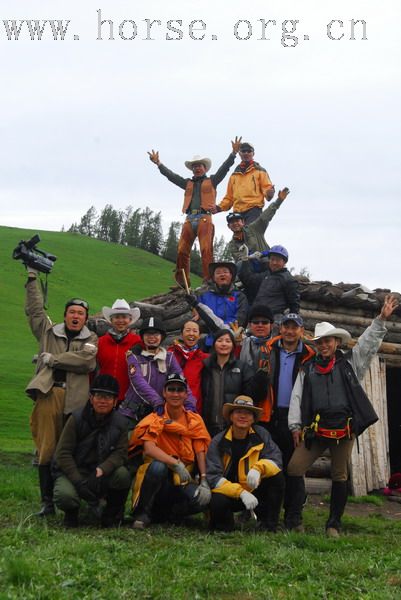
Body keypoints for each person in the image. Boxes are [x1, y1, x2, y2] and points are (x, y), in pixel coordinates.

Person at [287, 294, 399, 537]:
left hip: (343, 430)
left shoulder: (351, 364)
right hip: (316, 430)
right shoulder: (307, 369)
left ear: (336, 342)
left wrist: (380, 319)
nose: (324, 345)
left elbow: (368, 344)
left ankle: (333, 524)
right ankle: (295, 520)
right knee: (295, 468)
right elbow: (297, 397)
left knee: (340, 475)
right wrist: (295, 426)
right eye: (320, 342)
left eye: (328, 341)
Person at [25, 268, 98, 516]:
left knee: (70, 449)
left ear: (85, 318)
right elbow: (35, 311)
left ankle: (70, 499)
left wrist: (53, 359)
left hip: (76, 399)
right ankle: (47, 502)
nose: (76, 316)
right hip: (49, 394)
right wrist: (33, 279)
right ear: (65, 315)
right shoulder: (49, 332)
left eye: (80, 313)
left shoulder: (92, 339)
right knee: (46, 448)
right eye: (72, 312)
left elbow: (86, 362)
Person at [148, 137, 241, 286]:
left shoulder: (213, 180)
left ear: (205, 168)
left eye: (200, 166)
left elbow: (224, 169)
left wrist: (233, 154)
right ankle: (182, 283)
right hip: (189, 219)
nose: (197, 168)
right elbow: (171, 176)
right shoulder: (187, 183)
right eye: (195, 166)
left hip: (205, 217)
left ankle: (209, 281)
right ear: (192, 169)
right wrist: (159, 164)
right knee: (182, 251)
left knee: (206, 250)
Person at [128, 373, 211, 529]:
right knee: (158, 466)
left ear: (186, 395)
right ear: (164, 393)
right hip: (158, 475)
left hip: (183, 476)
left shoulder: (194, 419)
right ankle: (142, 513)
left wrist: (204, 479)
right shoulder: (155, 418)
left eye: (180, 390)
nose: (175, 394)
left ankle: (169, 514)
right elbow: (149, 448)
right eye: (171, 389)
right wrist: (175, 463)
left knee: (201, 500)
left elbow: (200, 449)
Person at [53, 375, 131, 528]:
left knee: (122, 474)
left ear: (115, 401)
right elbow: (63, 453)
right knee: (65, 495)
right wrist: (78, 481)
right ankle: (71, 513)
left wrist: (102, 469)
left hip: (102, 472)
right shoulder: (75, 418)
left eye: (108, 397)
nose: (103, 401)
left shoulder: (121, 423)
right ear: (91, 398)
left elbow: (121, 452)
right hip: (76, 470)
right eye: (99, 396)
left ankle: (111, 513)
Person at [206, 396, 284, 532]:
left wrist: (258, 469)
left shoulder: (262, 435)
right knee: (217, 500)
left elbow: (276, 461)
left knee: (277, 478)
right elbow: (213, 478)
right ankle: (225, 526)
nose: (243, 416)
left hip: (255, 489)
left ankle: (268, 524)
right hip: (230, 493)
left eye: (248, 413)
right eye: (238, 412)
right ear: (231, 417)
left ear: (253, 419)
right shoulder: (218, 441)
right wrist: (241, 492)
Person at [119, 317, 197, 426]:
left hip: (158, 414)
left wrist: (189, 402)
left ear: (162, 337)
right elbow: (138, 381)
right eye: (147, 334)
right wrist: (157, 402)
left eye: (155, 334)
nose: (152, 337)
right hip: (132, 413)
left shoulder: (169, 358)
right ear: (142, 337)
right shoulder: (134, 357)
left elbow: (181, 380)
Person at [201, 329, 254, 437]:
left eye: (228, 341)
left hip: (233, 425)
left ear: (233, 345)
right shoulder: (206, 367)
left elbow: (250, 393)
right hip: (208, 425)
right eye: (220, 340)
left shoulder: (242, 367)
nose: (224, 344)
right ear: (214, 344)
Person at [226, 187, 290, 264]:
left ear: (243, 222)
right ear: (229, 226)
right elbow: (239, 259)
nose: (235, 224)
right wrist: (250, 256)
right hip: (249, 270)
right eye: (232, 222)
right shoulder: (232, 244)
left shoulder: (254, 228)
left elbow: (265, 216)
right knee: (239, 266)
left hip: (266, 264)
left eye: (237, 221)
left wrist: (278, 201)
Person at [217, 141, 275, 225]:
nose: (246, 153)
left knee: (250, 234)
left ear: (253, 154)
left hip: (254, 210)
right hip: (237, 212)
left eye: (249, 151)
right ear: (240, 154)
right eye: (243, 151)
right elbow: (229, 198)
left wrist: (269, 193)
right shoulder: (234, 175)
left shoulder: (260, 171)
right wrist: (219, 207)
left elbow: (267, 189)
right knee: (238, 237)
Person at [195, 261, 249, 350]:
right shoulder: (204, 296)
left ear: (231, 276)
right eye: (218, 273)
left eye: (225, 272)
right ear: (213, 277)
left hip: (231, 342)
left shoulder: (239, 296)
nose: (222, 275)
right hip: (209, 343)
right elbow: (200, 318)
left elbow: (240, 320)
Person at [97, 299, 141, 404]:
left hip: (129, 396)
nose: (120, 320)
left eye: (124, 317)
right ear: (111, 320)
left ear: (130, 320)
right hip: (104, 394)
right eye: (117, 317)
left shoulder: (137, 341)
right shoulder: (101, 341)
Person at [239, 245, 300, 318]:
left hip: (275, 320)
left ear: (284, 262)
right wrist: (245, 259)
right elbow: (248, 279)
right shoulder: (265, 275)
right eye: (272, 259)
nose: (274, 263)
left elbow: (294, 305)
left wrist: (290, 323)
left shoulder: (289, 280)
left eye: (277, 260)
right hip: (256, 318)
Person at [168, 319, 209, 413]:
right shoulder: (170, 354)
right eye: (188, 330)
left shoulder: (204, 358)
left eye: (195, 331)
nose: (191, 333)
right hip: (171, 407)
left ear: (199, 336)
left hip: (194, 408)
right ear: (181, 334)